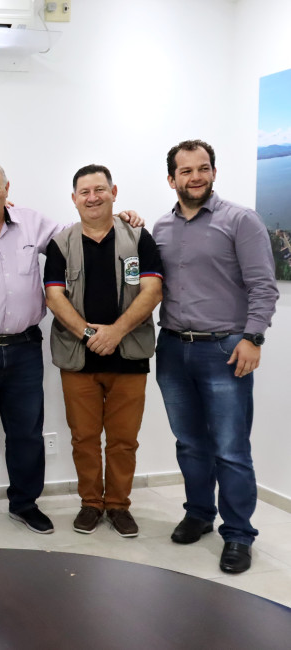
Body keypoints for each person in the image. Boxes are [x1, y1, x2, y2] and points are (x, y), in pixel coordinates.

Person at [0, 161, 142, 536]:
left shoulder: (33, 223)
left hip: (25, 348)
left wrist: (117, 217)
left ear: (7, 188)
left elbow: (83, 235)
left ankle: (25, 504)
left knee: (26, 433)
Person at [153, 139, 278, 574]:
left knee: (230, 449)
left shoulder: (240, 220)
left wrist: (253, 338)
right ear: (172, 179)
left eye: (203, 168)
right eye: (186, 171)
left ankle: (239, 535)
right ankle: (199, 514)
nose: (196, 177)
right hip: (171, 348)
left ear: (213, 171)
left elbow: (264, 286)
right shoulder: (161, 228)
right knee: (190, 444)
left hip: (226, 349)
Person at [44, 165, 163, 538]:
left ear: (114, 191)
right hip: (78, 357)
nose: (92, 197)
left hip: (129, 355)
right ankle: (91, 503)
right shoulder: (60, 243)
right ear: (74, 198)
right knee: (84, 437)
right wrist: (90, 333)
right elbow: (53, 296)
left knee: (124, 439)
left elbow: (153, 291)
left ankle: (119, 505)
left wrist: (115, 333)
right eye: (84, 192)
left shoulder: (139, 238)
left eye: (99, 189)